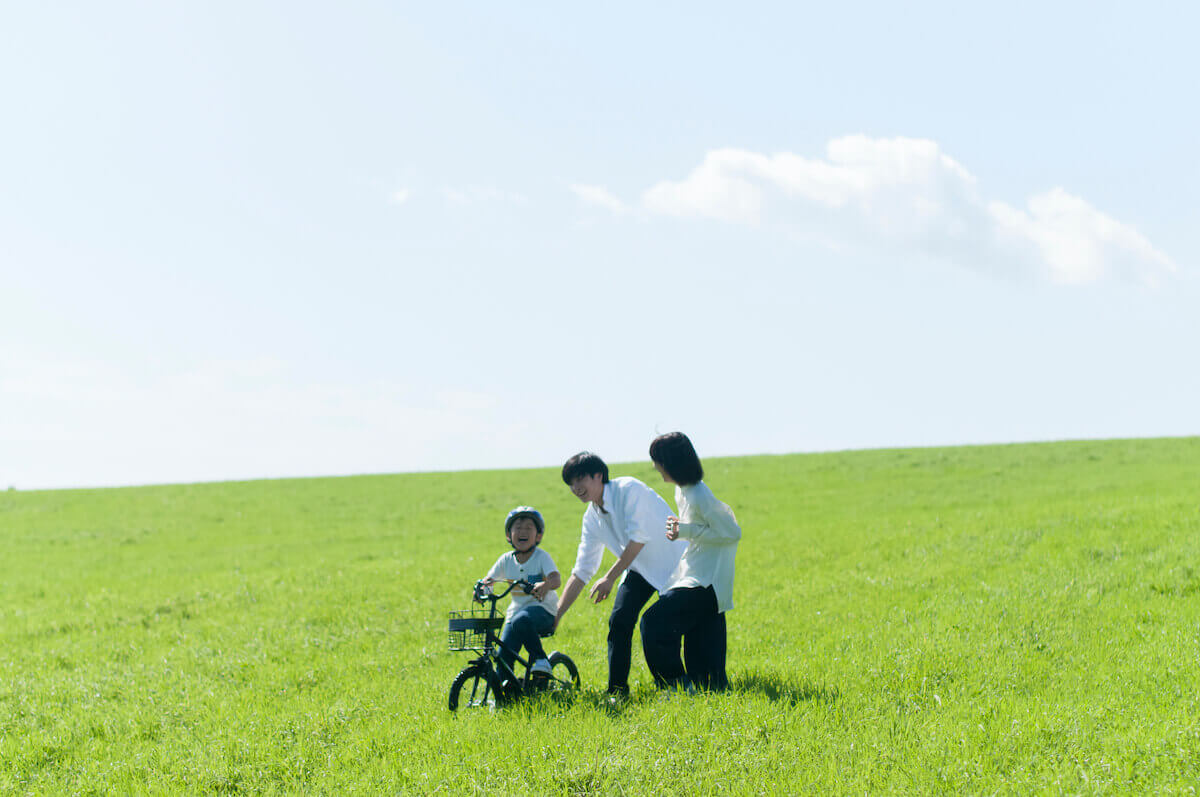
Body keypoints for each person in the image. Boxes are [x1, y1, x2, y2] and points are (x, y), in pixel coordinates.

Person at [556, 451, 687, 696]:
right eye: (571, 483)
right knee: (619, 622)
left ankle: (675, 684)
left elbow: (638, 539)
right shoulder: (591, 518)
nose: (575, 487)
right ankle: (617, 692)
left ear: (598, 476)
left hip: (676, 565)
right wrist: (557, 614)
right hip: (639, 568)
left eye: (580, 479)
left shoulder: (629, 489)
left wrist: (610, 577)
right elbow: (582, 570)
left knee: (660, 625)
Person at [640, 432, 741, 692]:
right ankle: (691, 687)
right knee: (709, 681)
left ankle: (675, 685)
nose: (655, 467)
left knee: (653, 621)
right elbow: (701, 528)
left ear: (671, 461)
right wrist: (683, 528)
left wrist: (685, 531)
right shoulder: (683, 491)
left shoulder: (699, 495)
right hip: (695, 575)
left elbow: (731, 532)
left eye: (658, 461)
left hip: (707, 582)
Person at [483, 506, 561, 679]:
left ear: (538, 536)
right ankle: (506, 694)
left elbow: (556, 579)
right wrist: (482, 589)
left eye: (528, 528)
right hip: (516, 614)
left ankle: (541, 660)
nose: (522, 531)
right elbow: (489, 580)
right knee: (504, 654)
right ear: (508, 535)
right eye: (517, 528)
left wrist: (545, 584)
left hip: (543, 610)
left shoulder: (541, 557)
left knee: (522, 620)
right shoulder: (505, 560)